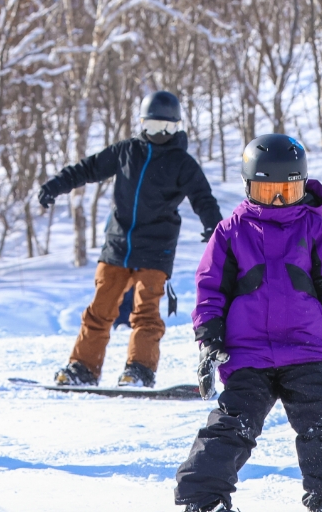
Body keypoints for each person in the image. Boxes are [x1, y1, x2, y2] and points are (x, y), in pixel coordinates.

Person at [173, 134, 322, 512]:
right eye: (270, 190)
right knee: (232, 426)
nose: (280, 201)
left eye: (289, 190)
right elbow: (209, 289)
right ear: (249, 186)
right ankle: (203, 505)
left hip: (306, 352)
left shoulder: (316, 230)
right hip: (247, 354)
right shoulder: (230, 232)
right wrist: (210, 342)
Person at [38, 91, 222, 387]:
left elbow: (203, 198)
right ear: (141, 125)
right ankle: (83, 368)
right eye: (150, 127)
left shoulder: (182, 163)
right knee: (99, 309)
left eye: (165, 129)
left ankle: (139, 370)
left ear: (176, 127)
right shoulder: (126, 151)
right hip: (117, 245)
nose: (158, 135)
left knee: (145, 312)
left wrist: (214, 227)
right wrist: (55, 185)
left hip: (156, 248)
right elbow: (88, 168)